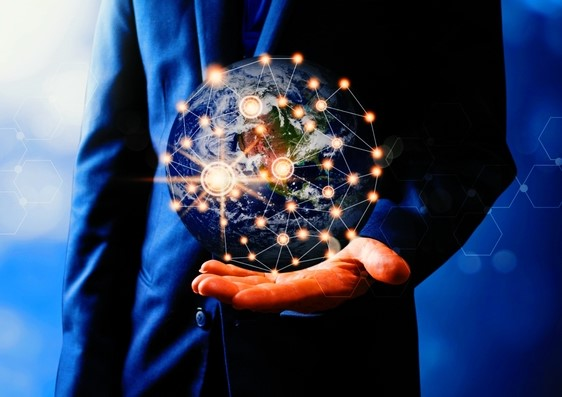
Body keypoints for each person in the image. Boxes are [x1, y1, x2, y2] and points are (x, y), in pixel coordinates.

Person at [55, 0, 516, 396]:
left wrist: (388, 236)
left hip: (335, 358)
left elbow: (466, 136)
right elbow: (112, 162)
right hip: (155, 354)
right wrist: (81, 379)